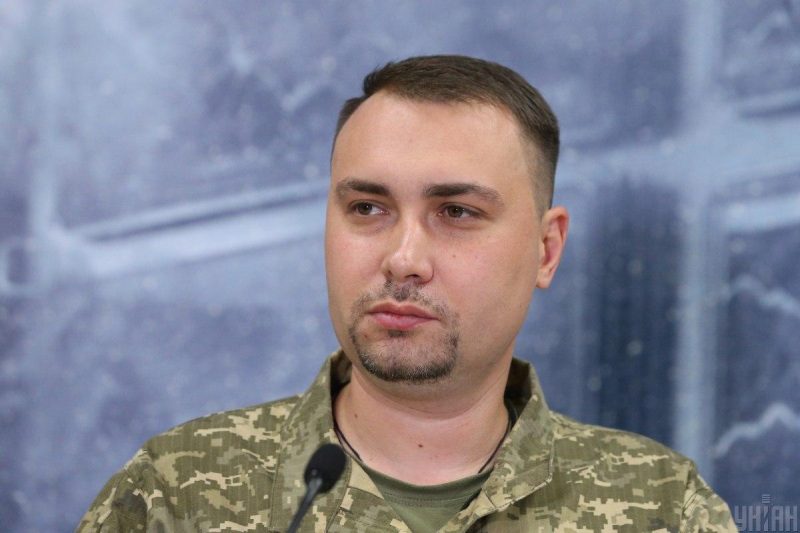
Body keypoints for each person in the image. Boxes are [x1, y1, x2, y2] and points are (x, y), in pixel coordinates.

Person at [78, 55, 736, 532]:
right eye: (367, 208)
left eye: (456, 213)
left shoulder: (660, 506)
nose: (403, 259)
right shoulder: (177, 493)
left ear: (546, 249)